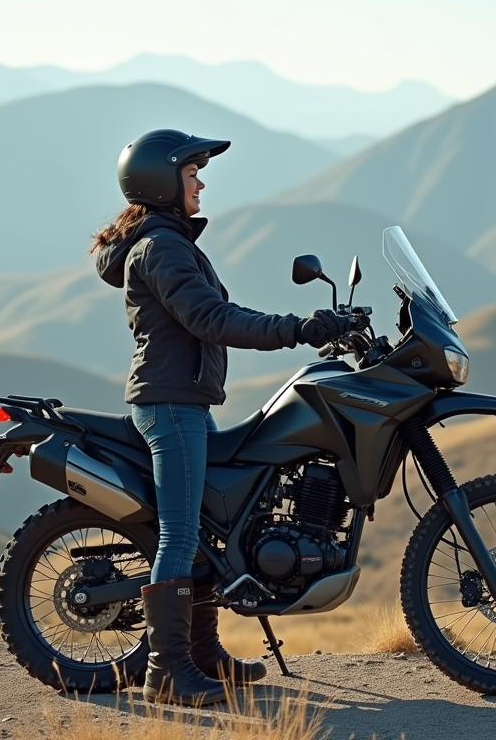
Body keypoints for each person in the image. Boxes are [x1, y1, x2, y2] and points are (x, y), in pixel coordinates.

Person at [91, 129, 351, 705]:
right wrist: (298, 329)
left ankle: (203, 655)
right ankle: (166, 671)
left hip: (187, 403)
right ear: (164, 181)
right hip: (170, 407)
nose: (201, 181)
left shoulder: (169, 240)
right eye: (192, 173)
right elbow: (212, 318)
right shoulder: (161, 247)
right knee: (180, 535)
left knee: (207, 533)